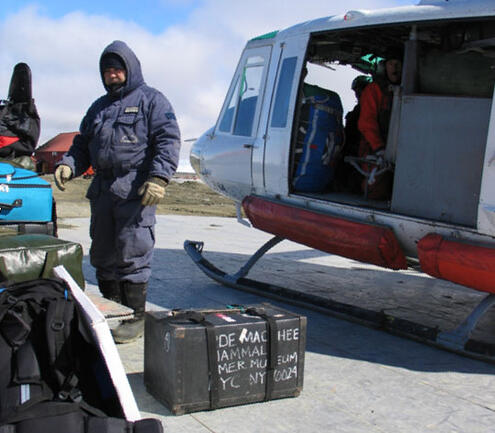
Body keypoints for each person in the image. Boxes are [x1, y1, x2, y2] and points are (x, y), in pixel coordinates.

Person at [54, 40, 181, 343]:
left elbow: (168, 140)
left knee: (132, 251)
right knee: (103, 252)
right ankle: (113, 312)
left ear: (130, 69)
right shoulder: (98, 107)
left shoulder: (153, 101)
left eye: (117, 68)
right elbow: (82, 145)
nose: (112, 74)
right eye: (107, 70)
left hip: (135, 189)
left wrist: (159, 178)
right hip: (102, 190)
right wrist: (69, 165)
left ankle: (134, 317)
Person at [357, 52, 402, 200]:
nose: (394, 68)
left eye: (398, 64)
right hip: (375, 150)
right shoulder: (374, 90)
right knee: (374, 192)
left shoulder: (406, 90)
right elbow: (366, 122)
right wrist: (379, 148)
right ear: (384, 67)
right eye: (391, 64)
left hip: (400, 150)